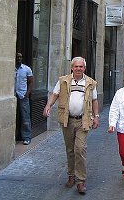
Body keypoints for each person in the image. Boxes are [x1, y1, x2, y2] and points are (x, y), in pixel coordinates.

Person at [43, 57, 100, 195]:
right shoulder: (63, 81)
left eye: (81, 67)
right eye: (76, 66)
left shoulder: (90, 83)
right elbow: (55, 94)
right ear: (72, 67)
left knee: (80, 149)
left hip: (83, 120)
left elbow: (94, 100)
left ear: (84, 68)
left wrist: (96, 117)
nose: (78, 69)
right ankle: (71, 176)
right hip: (67, 120)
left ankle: (81, 181)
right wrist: (48, 105)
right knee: (70, 150)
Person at [15, 52, 34, 145]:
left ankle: (26, 137)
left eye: (20, 57)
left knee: (25, 117)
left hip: (23, 95)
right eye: (17, 57)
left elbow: (31, 82)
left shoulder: (27, 69)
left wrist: (27, 94)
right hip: (13, 95)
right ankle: (15, 135)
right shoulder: (11, 68)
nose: (19, 58)